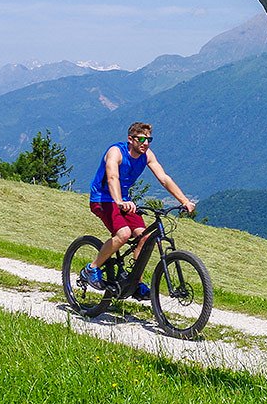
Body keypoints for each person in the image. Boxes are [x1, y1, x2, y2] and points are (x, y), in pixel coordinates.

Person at [83, 121, 195, 298]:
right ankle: (92, 268)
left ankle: (135, 282)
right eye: (141, 139)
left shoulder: (147, 155)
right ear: (130, 139)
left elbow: (164, 178)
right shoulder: (116, 152)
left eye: (149, 139)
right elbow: (112, 177)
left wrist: (184, 200)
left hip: (124, 200)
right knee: (124, 234)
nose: (146, 143)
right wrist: (119, 201)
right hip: (103, 199)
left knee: (145, 238)